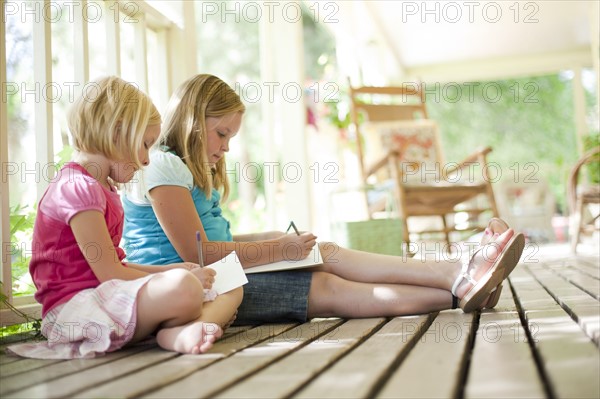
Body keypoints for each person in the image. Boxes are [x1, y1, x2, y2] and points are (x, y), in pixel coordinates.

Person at [122, 74, 525, 325]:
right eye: (222, 133)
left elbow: (215, 239)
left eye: (231, 137)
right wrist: (276, 247)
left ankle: (458, 278)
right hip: (203, 290)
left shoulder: (185, 169)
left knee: (326, 253)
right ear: (193, 123)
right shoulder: (163, 167)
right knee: (330, 287)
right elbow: (203, 253)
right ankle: (459, 282)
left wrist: (274, 238)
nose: (226, 146)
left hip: (221, 275)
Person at [8, 76, 240, 359]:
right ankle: (182, 328)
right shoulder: (77, 188)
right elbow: (111, 274)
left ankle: (186, 329)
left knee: (228, 280)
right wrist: (176, 274)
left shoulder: (102, 188)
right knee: (184, 287)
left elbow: (116, 266)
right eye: (144, 144)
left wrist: (184, 267)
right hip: (77, 309)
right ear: (117, 133)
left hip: (109, 295)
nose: (145, 160)